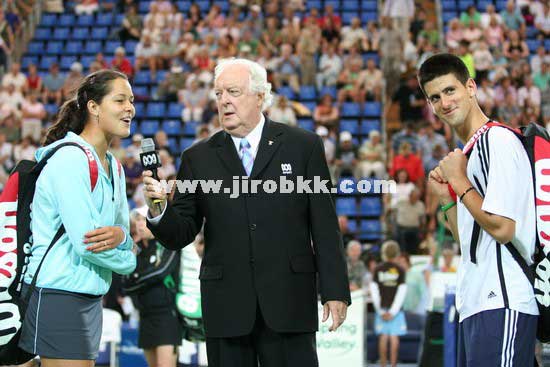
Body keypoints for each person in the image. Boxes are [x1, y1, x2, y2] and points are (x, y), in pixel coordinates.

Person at [142, 58, 351, 367]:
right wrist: (159, 207)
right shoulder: (197, 158)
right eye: (218, 93)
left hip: (289, 301)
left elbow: (323, 224)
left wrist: (335, 290)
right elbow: (181, 233)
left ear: (260, 96)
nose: (224, 100)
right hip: (226, 307)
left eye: (233, 91)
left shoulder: (303, 146)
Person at [419, 53, 538, 366]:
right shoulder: (469, 152)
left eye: (450, 91)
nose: (444, 103)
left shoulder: (496, 139)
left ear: (470, 87)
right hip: (476, 301)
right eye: (434, 97)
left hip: (502, 298)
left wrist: (458, 181)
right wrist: (446, 199)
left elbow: (502, 228)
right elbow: (470, 241)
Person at [17, 70, 137, 366]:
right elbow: (88, 244)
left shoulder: (115, 167)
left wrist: (122, 238)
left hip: (90, 298)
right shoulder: (70, 160)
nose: (129, 108)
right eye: (120, 100)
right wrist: (128, 256)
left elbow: (121, 233)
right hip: (59, 296)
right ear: (93, 107)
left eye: (131, 101)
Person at [124, 206, 181, 367]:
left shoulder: (168, 244)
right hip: (145, 316)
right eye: (138, 221)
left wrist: (138, 278)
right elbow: (126, 285)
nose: (140, 225)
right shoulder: (137, 251)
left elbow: (161, 271)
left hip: (166, 316)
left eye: (144, 219)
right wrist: (142, 278)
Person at [370, 240, 407, 367]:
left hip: (382, 309)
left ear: (383, 253)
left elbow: (374, 292)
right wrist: (393, 311)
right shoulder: (400, 270)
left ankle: (383, 365)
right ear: (397, 254)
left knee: (383, 336)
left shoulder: (377, 269)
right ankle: (393, 365)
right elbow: (402, 293)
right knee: (394, 337)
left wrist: (380, 311)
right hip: (395, 311)